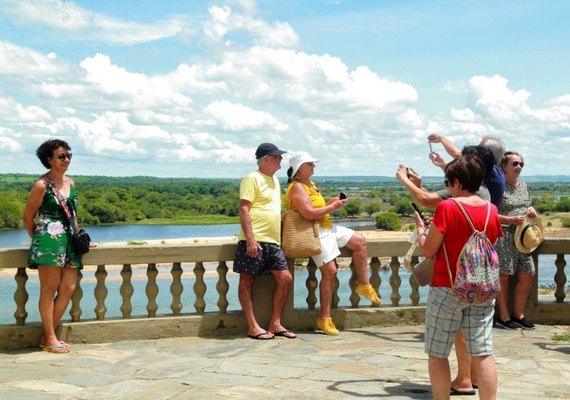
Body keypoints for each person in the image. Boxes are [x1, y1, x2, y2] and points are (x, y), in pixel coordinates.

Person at [415, 155, 502, 400]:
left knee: (438, 352)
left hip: (447, 286)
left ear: (455, 182)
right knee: (483, 352)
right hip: (482, 288)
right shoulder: (491, 210)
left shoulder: (447, 207)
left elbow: (428, 250)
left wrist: (422, 230)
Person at [285, 151, 381, 336]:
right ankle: (324, 318)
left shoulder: (309, 184)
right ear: (300, 168)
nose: (314, 166)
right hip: (314, 231)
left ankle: (364, 284)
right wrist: (333, 207)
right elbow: (309, 214)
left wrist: (331, 202)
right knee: (330, 272)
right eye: (310, 164)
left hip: (326, 228)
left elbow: (316, 209)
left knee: (360, 241)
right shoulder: (297, 187)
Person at [23, 139, 83, 354]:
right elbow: (28, 217)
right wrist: (40, 240)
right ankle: (50, 337)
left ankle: (46, 335)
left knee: (68, 288)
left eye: (68, 155)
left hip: (69, 242)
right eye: (61, 156)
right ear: (49, 160)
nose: (66, 159)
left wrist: (79, 237)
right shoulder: (42, 185)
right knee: (49, 289)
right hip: (48, 242)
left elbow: (73, 216)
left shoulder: (70, 183)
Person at [232, 143, 296, 340]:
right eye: (277, 157)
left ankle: (275, 323)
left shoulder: (275, 180)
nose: (281, 160)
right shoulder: (252, 178)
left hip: (273, 242)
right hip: (255, 240)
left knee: (285, 278)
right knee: (247, 280)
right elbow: (243, 208)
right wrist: (250, 239)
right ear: (266, 159)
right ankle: (252, 326)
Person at [494, 151, 539, 330]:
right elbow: (487, 213)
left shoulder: (524, 186)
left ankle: (519, 314)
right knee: (503, 277)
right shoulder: (497, 187)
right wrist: (510, 220)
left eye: (521, 164)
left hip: (523, 237)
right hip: (504, 236)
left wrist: (531, 210)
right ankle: (503, 317)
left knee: (527, 274)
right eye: (514, 164)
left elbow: (527, 204)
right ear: (503, 166)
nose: (519, 167)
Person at [427, 134, 506, 207]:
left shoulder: (487, 169)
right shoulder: (497, 172)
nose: (476, 150)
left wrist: (441, 138)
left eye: (479, 148)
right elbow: (465, 175)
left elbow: (457, 154)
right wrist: (443, 165)